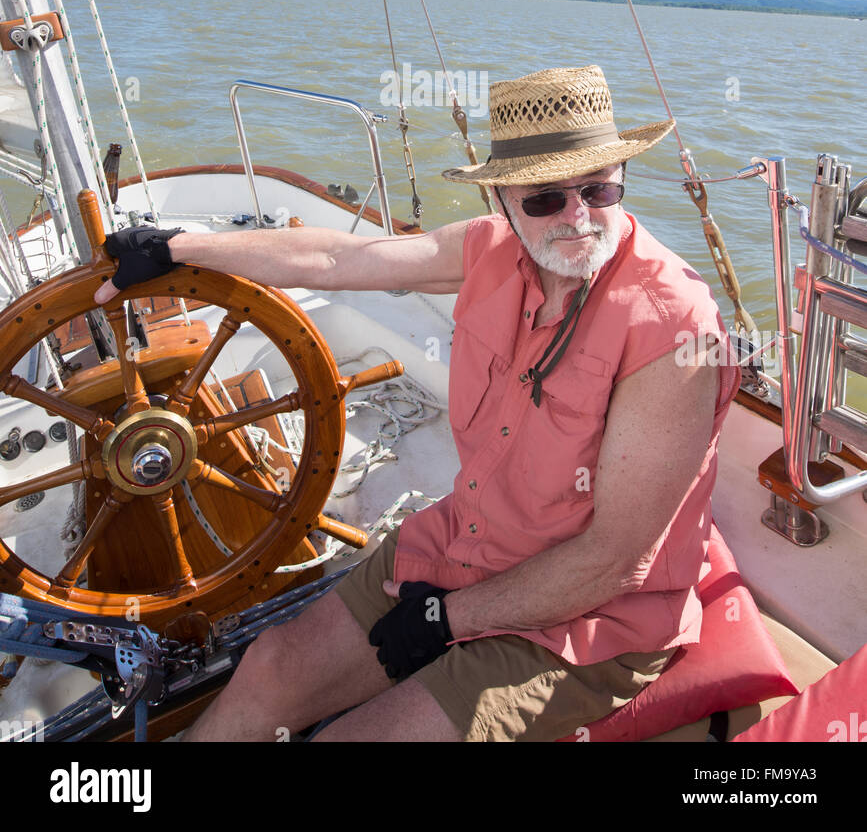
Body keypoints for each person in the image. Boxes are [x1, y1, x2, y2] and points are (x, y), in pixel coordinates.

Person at [94, 65, 739, 743]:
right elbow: (340, 260)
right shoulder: (493, 249)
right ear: (501, 199)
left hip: (591, 619)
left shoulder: (671, 328)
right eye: (545, 198)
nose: (578, 216)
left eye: (598, 188)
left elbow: (613, 559)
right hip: (466, 543)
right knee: (271, 669)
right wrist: (176, 249)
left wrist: (446, 622)